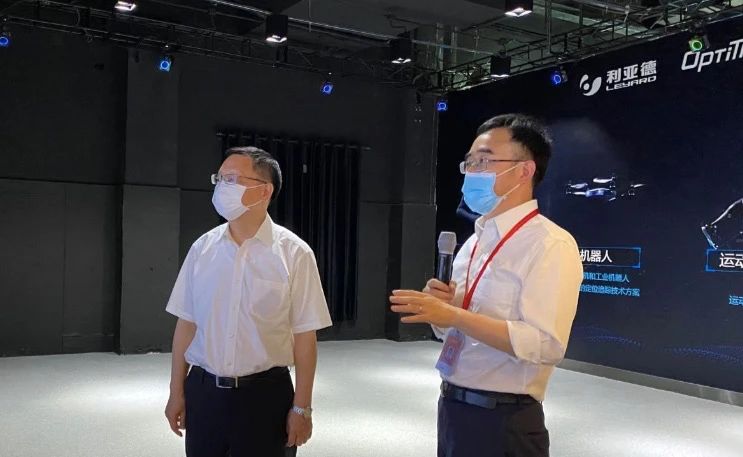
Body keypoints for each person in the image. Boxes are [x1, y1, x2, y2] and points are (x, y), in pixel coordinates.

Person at [390, 114, 583, 457]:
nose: (473, 172)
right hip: (453, 406)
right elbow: (452, 333)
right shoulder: (473, 243)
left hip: (504, 419)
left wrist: (456, 315)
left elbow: (546, 344)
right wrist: (443, 312)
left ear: (524, 170)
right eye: (469, 163)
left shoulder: (549, 244)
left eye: (484, 161)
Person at [164, 146, 332, 457]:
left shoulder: (294, 254)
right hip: (204, 392)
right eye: (219, 179)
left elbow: (304, 337)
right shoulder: (202, 249)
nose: (221, 187)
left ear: (264, 190)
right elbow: (186, 324)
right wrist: (177, 392)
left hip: (266, 396)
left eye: (231, 179)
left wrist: (302, 408)